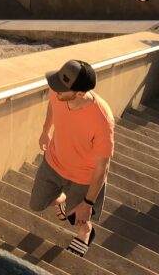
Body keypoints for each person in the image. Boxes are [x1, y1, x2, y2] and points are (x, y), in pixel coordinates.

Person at [29, 60, 114, 259]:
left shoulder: (102, 120)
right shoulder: (59, 90)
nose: (54, 89)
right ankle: (62, 199)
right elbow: (52, 104)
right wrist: (45, 130)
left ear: (79, 93)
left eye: (61, 88)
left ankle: (86, 231)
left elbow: (103, 168)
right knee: (36, 204)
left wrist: (88, 203)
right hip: (53, 162)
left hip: (82, 177)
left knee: (77, 219)